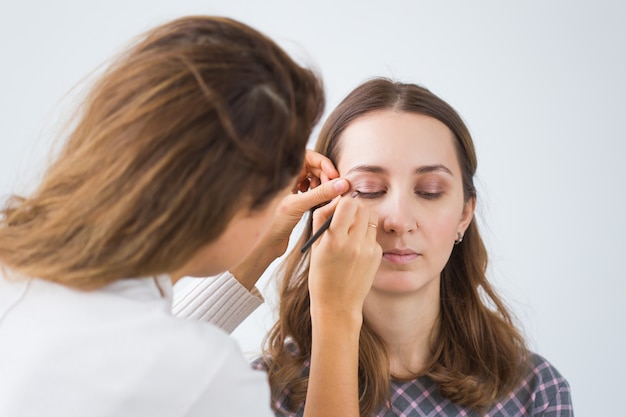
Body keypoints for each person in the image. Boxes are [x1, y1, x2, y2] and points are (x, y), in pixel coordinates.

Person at [0, 15, 377, 417]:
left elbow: (142, 373)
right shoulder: (202, 377)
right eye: (373, 189)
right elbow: (169, 377)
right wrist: (336, 314)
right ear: (234, 198)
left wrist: (258, 243)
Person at [174, 77, 574, 416]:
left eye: (430, 191)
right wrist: (262, 246)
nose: (398, 220)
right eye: (368, 189)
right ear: (322, 204)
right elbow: (132, 370)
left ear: (465, 215)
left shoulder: (534, 393)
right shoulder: (257, 395)